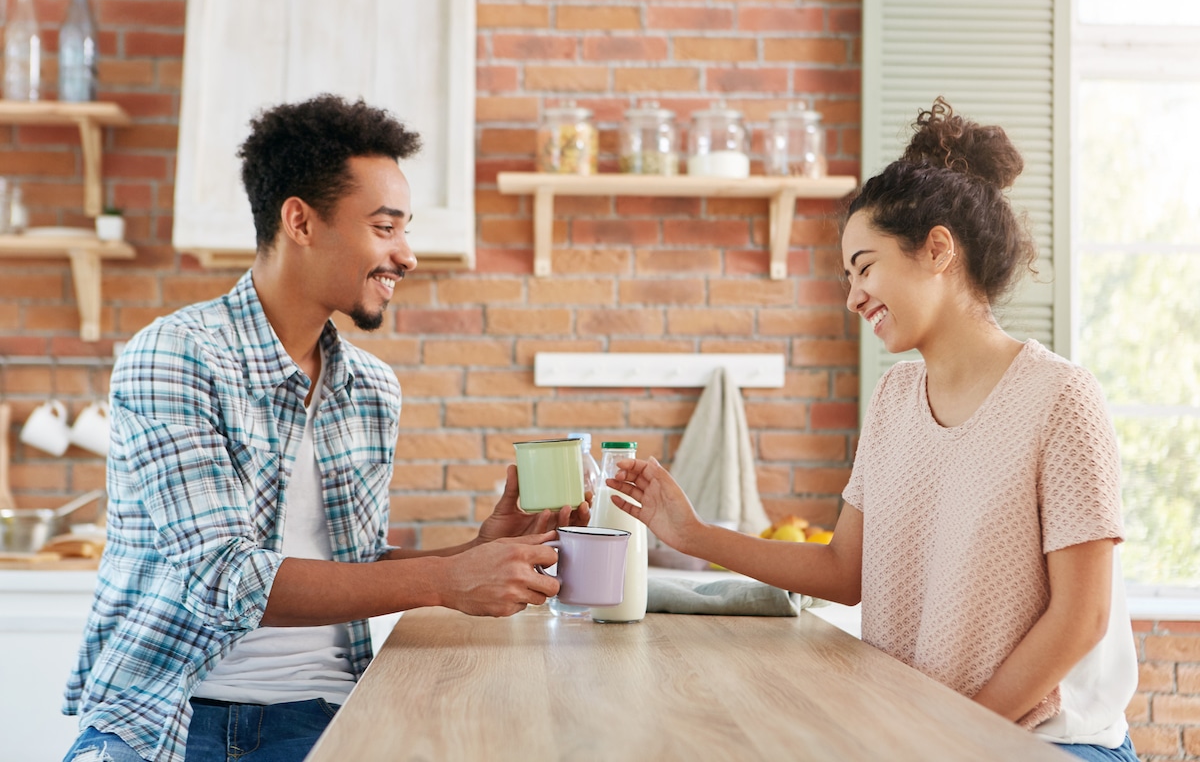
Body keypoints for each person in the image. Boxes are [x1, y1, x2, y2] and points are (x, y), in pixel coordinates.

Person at [605, 98, 1139, 761]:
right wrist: (690, 533)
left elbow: (1080, 619)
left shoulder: (1061, 397)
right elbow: (843, 569)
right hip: (918, 734)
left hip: (1044, 742)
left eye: (864, 266)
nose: (853, 295)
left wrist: (954, 735)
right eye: (847, 276)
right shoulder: (893, 398)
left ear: (937, 250)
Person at [62, 95, 587, 762]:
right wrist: (444, 583)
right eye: (384, 227)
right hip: (167, 716)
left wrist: (475, 552)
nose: (407, 255)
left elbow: (355, 568)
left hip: (328, 714)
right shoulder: (175, 356)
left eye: (405, 229)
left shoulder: (369, 389)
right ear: (301, 222)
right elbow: (224, 578)